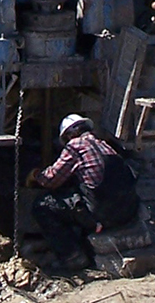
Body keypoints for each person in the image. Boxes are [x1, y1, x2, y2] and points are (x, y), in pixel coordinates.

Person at [29, 114, 140, 271]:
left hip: (102, 216)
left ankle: (73, 257)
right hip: (128, 212)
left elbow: (51, 180)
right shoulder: (105, 145)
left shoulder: (75, 146)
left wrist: (35, 175)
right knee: (82, 196)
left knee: (42, 205)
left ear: (69, 134)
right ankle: (85, 244)